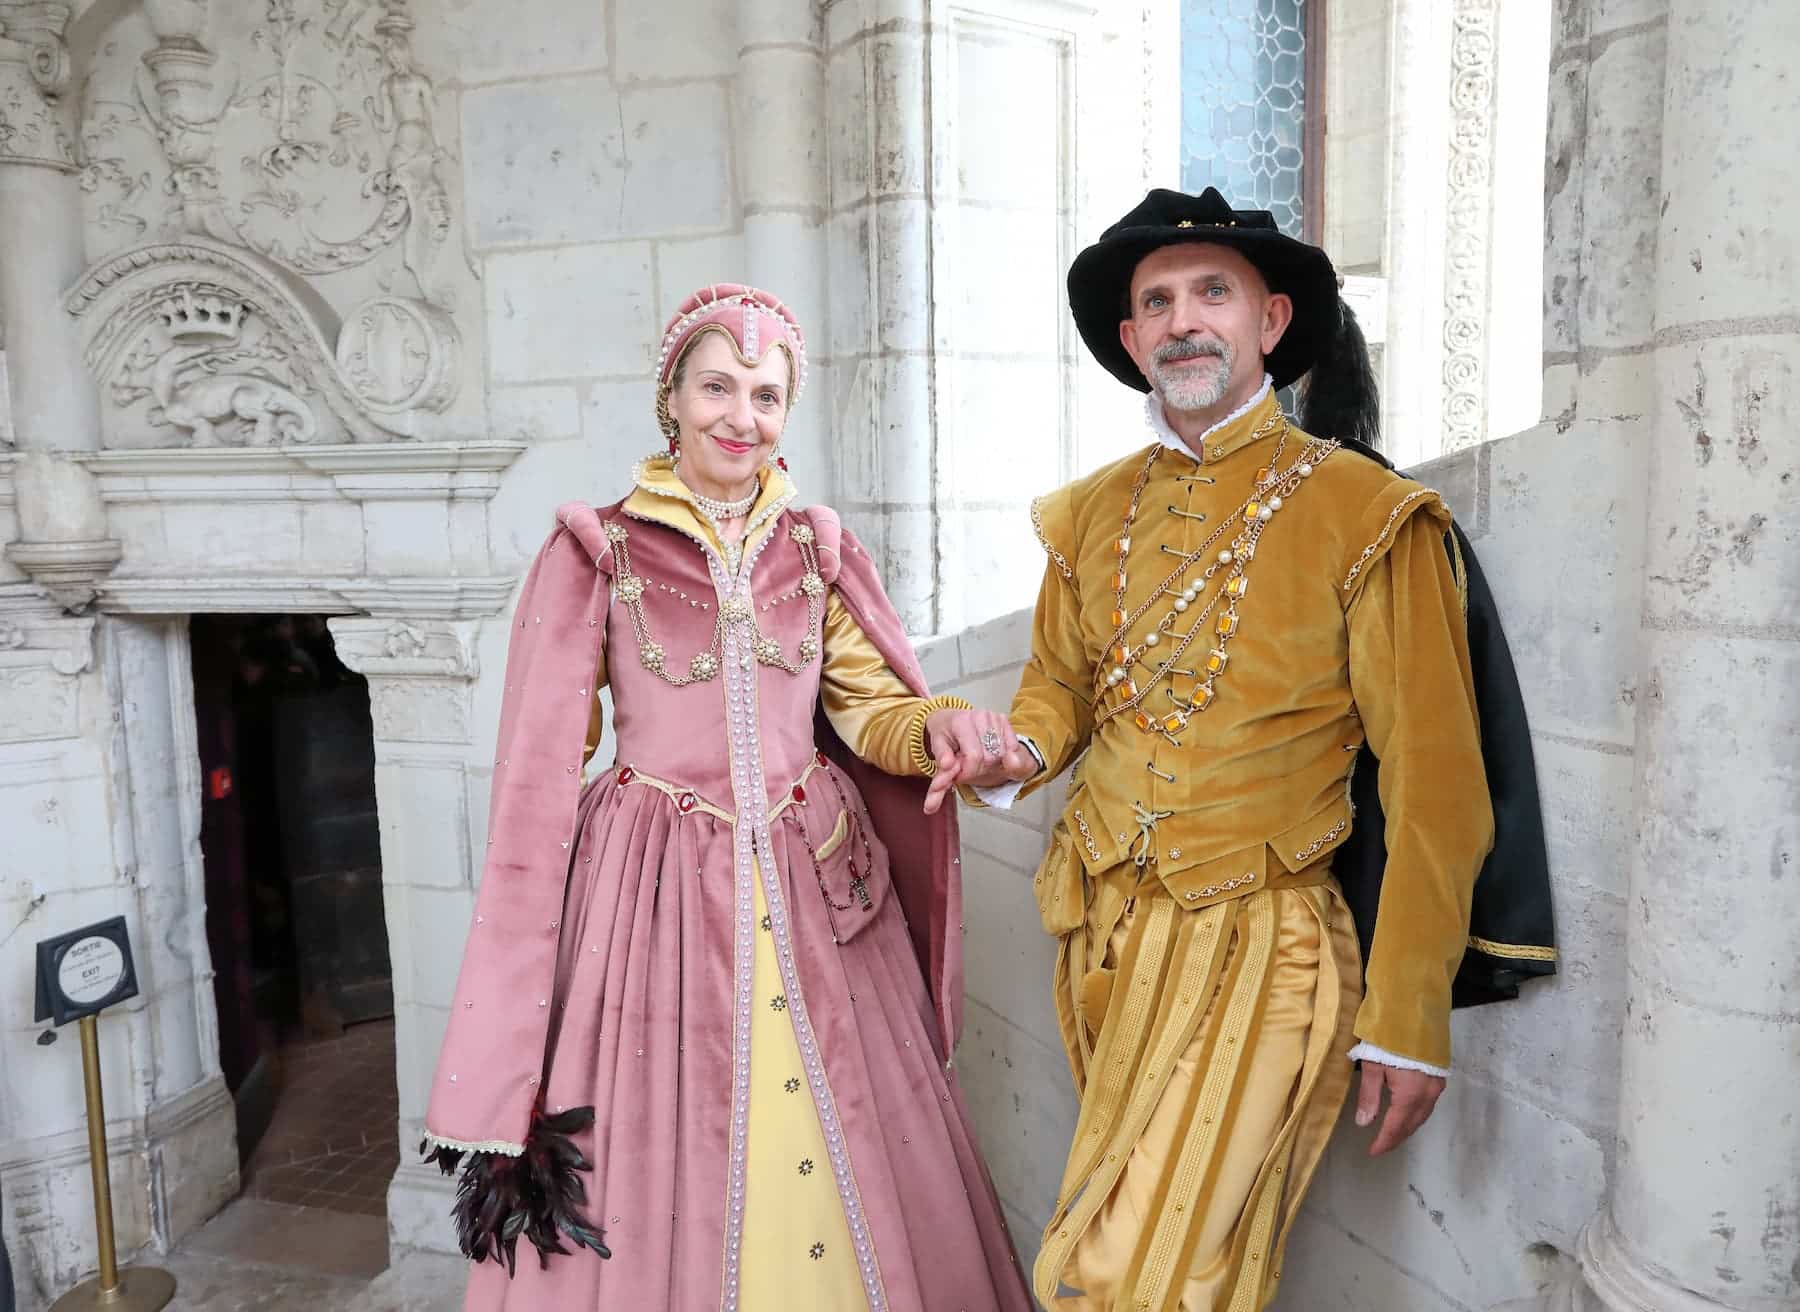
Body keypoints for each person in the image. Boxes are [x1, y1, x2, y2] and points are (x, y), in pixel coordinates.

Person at [928, 188, 1555, 1311]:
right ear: (1129, 343)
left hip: (1265, 945)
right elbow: (1061, 691)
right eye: (1156, 302)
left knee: (1118, 1276)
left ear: (1271, 320)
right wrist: (1008, 749)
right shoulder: (1086, 516)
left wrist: (1409, 1016)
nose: (1183, 321)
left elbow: (1435, 785)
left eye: (1211, 291)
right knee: (1192, 1273)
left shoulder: (1364, 512)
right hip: (1099, 934)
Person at [420, 284, 1035, 1311]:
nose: (739, 417)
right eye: (717, 386)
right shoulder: (598, 550)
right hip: (654, 897)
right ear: (671, 398)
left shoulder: (817, 547)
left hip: (815, 888)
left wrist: (935, 728)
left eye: (765, 394)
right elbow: (537, 774)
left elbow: (871, 707)